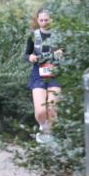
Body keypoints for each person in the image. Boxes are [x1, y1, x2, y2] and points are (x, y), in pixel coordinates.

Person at [24, 8, 62, 143]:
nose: (44, 22)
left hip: (55, 74)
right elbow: (26, 54)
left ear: (51, 20)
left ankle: (52, 135)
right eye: (41, 20)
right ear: (37, 20)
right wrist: (31, 57)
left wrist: (61, 52)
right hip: (38, 74)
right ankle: (44, 127)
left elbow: (69, 51)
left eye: (47, 20)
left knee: (51, 108)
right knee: (40, 111)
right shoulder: (33, 36)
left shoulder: (59, 35)